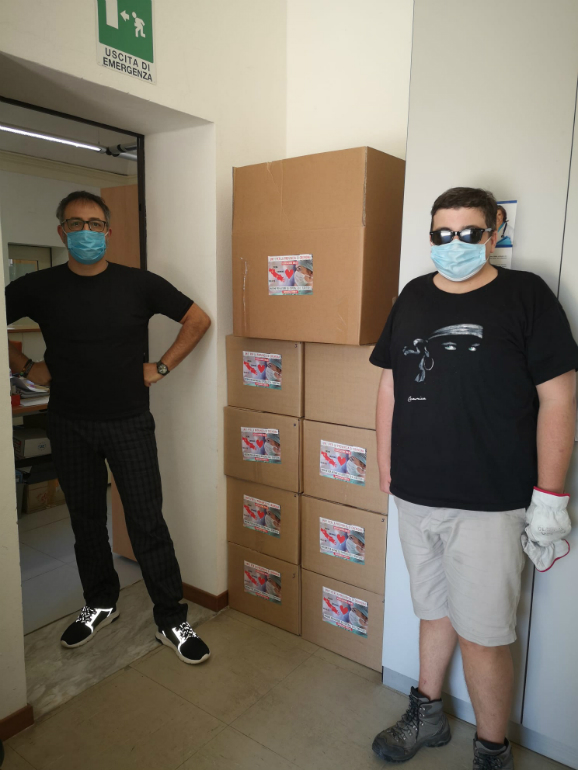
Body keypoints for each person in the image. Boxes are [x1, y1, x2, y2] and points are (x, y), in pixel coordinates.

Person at [369, 187, 578, 769]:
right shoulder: (413, 295)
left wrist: (550, 497)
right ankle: (428, 713)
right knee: (432, 611)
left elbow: (559, 398)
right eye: (442, 234)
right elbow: (389, 384)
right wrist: (386, 466)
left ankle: (491, 748)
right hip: (417, 494)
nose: (454, 244)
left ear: (493, 233)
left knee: (484, 635)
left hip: (489, 502)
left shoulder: (526, 295)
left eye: (468, 233)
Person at [5, 191, 213, 665]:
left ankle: (171, 618)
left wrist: (161, 367)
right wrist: (26, 366)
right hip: (68, 422)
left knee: (147, 523)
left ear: (108, 232)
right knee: (85, 521)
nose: (86, 232)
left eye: (95, 224)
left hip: (129, 423)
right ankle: (101, 602)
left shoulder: (138, 284)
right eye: (75, 224)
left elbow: (197, 320)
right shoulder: (39, 287)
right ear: (61, 232)